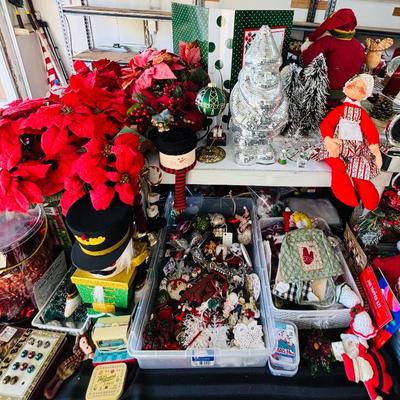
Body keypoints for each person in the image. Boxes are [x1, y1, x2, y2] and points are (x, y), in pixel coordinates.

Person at [301, 9, 365, 105]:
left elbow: (306, 60)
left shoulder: (325, 42)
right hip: (349, 92)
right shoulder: (358, 45)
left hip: (326, 92)